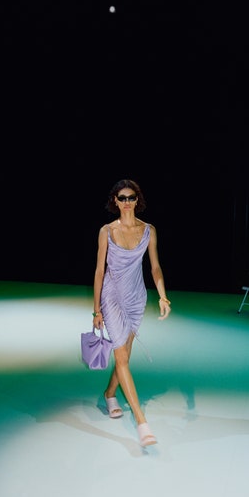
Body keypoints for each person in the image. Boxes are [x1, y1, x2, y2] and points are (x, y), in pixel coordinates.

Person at [92, 179, 171, 447]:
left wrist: (162, 296)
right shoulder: (106, 231)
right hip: (112, 297)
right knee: (121, 357)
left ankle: (109, 394)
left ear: (138, 200)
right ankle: (141, 422)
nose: (127, 202)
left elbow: (155, 267)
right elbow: (99, 271)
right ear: (115, 201)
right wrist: (96, 310)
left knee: (124, 354)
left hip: (136, 298)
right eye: (122, 198)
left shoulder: (148, 230)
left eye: (131, 197)